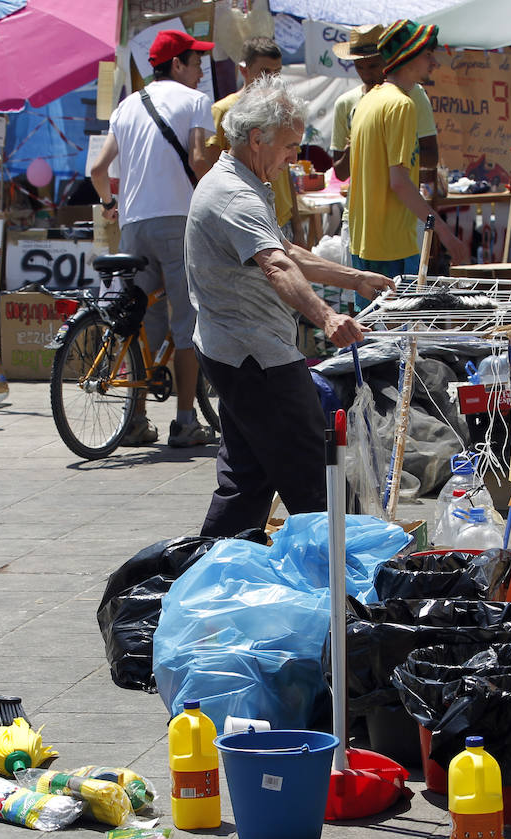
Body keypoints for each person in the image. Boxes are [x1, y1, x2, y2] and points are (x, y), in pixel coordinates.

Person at [186, 76, 395, 537]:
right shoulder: (234, 195)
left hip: (235, 349)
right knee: (313, 475)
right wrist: (327, 316)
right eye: (290, 146)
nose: (293, 158)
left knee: (246, 479)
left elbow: (286, 250)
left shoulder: (239, 180)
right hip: (255, 355)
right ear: (257, 138)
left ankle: (210, 569)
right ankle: (341, 585)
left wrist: (355, 278)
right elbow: (277, 265)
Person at [89, 29, 217, 449]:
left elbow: (98, 168)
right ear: (177, 64)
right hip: (179, 221)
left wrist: (110, 200)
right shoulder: (195, 102)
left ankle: (135, 420)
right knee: (186, 323)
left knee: (135, 322)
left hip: (133, 224)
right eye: (196, 62)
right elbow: (199, 160)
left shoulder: (126, 106)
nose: (201, 71)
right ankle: (184, 422)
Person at [347, 20, 467, 309]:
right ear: (409, 56)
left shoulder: (368, 100)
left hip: (364, 240)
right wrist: (446, 234)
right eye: (428, 55)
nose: (434, 63)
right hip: (394, 244)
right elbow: (399, 182)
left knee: (371, 341)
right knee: (398, 343)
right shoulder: (402, 104)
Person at [208, 37, 299, 240]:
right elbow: (212, 171)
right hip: (247, 220)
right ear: (244, 70)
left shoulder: (282, 112)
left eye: (277, 73)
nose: (272, 80)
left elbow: (287, 174)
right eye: (265, 72)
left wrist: (298, 226)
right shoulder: (223, 110)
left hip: (282, 219)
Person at [329, 25, 438, 189]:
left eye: (373, 66)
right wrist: (356, 148)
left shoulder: (410, 98)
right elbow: (341, 172)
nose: (366, 74)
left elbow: (430, 159)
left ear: (388, 61)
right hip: (359, 206)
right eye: (359, 67)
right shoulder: (346, 103)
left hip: (398, 206)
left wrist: (378, 151)